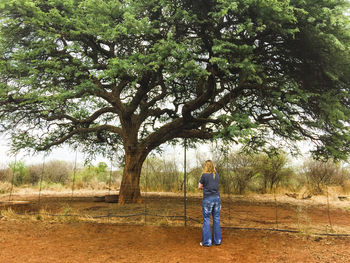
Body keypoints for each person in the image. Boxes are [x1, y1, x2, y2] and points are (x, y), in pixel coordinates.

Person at [198, 160, 221, 247]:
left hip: (208, 199)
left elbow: (199, 186)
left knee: (207, 219)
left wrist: (204, 186)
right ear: (213, 166)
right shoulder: (217, 175)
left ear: (206, 166)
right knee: (216, 219)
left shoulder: (204, 175)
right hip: (217, 199)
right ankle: (217, 241)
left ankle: (207, 242)